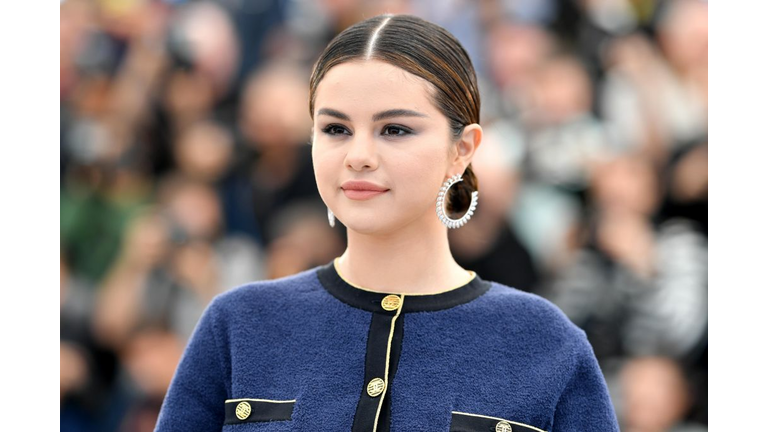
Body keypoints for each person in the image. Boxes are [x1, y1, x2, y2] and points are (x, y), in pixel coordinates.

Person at [154, 14, 619, 432]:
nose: (358, 156)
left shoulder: (544, 341)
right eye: (335, 128)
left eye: (395, 129)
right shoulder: (238, 324)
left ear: (462, 150)